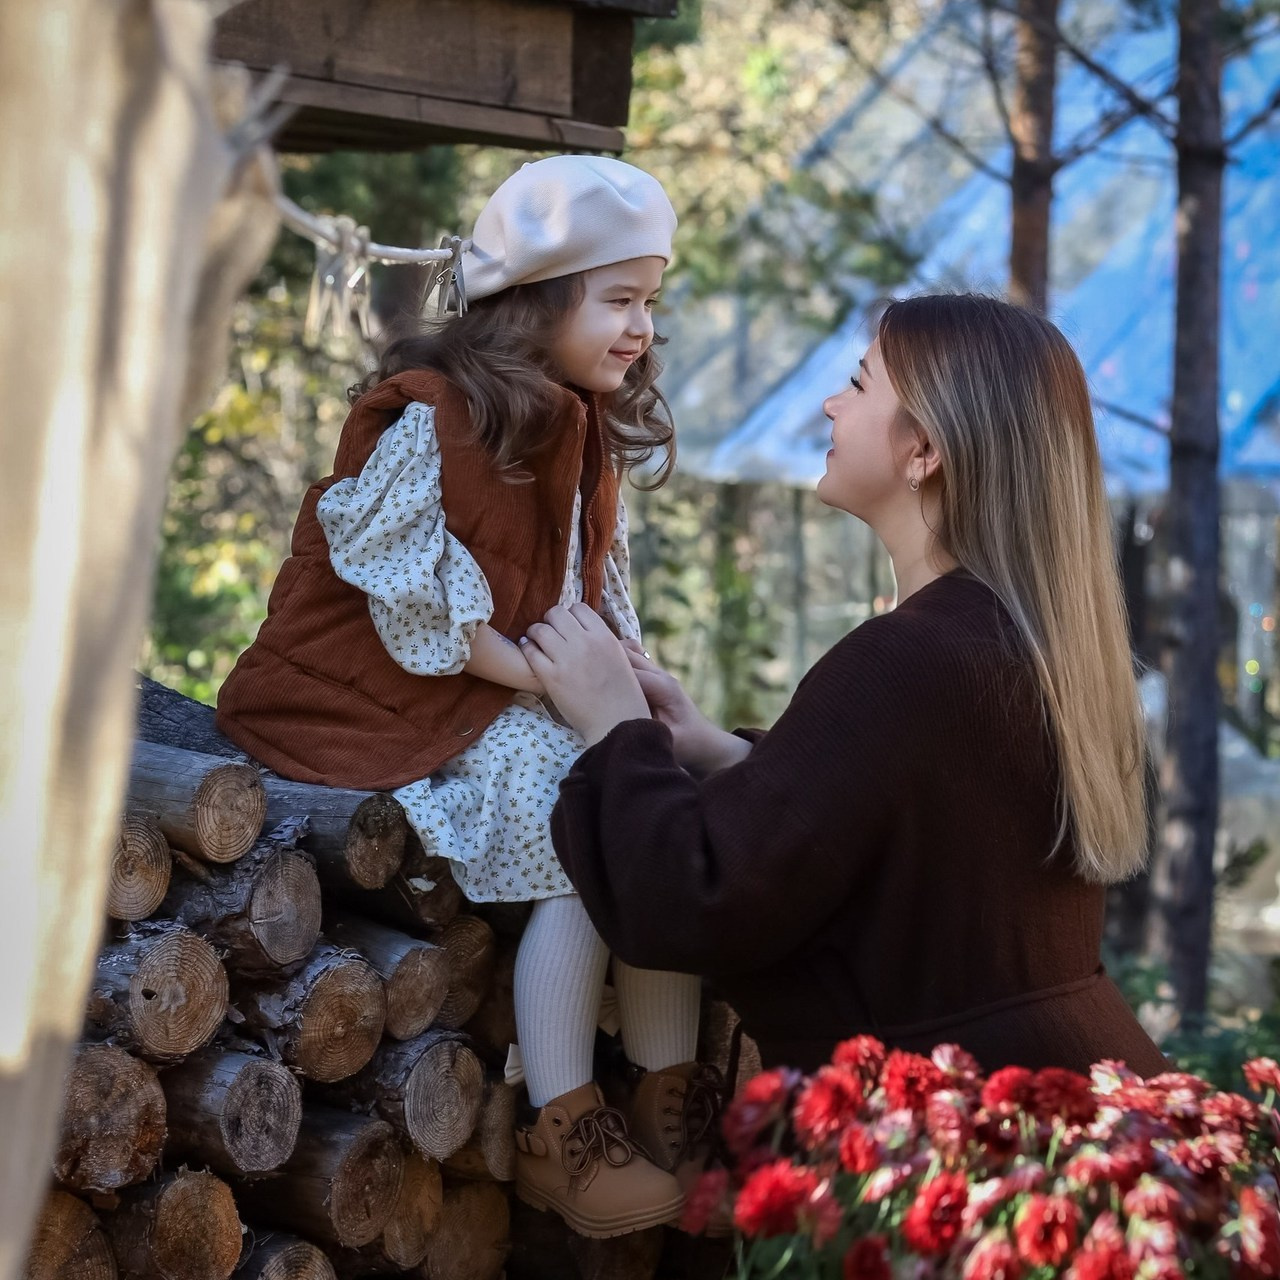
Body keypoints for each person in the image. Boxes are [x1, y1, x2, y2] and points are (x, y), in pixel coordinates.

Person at [215, 155, 709, 1238]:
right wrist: (552, 680)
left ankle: (672, 1100)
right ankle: (559, 1125)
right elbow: (406, 596)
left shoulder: (579, 424)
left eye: (649, 302)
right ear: (535, 299)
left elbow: (591, 579)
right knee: (587, 821)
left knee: (651, 795)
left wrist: (622, 674)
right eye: (618, 299)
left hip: (496, 682)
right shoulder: (436, 415)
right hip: (371, 694)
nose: (640, 329)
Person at [522, 292, 1169, 1080]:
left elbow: (696, 902)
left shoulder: (906, 659)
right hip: (1070, 1097)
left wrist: (615, 727)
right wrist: (725, 755)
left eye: (860, 385)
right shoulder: (1017, 638)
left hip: (942, 1136)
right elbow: (917, 837)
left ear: (924, 449)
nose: (832, 403)